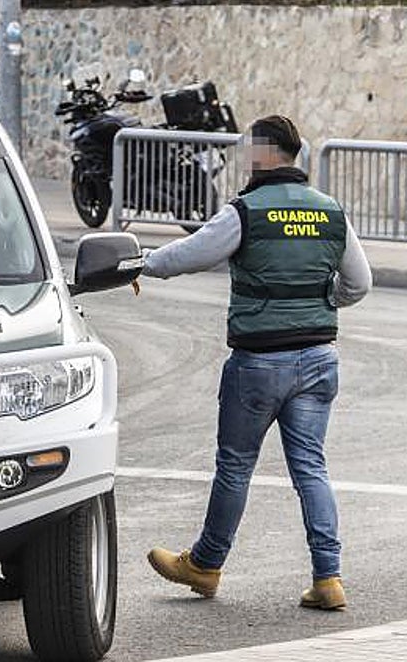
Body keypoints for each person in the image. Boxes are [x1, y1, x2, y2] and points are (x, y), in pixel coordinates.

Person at [142, 115, 370, 611]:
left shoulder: (246, 211)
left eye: (251, 147)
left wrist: (144, 263)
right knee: (311, 466)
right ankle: (328, 578)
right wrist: (319, 300)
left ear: (266, 153)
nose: (246, 155)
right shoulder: (332, 213)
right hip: (318, 358)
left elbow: (190, 254)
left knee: (235, 467)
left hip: (259, 363)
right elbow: (359, 283)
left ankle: (205, 565)